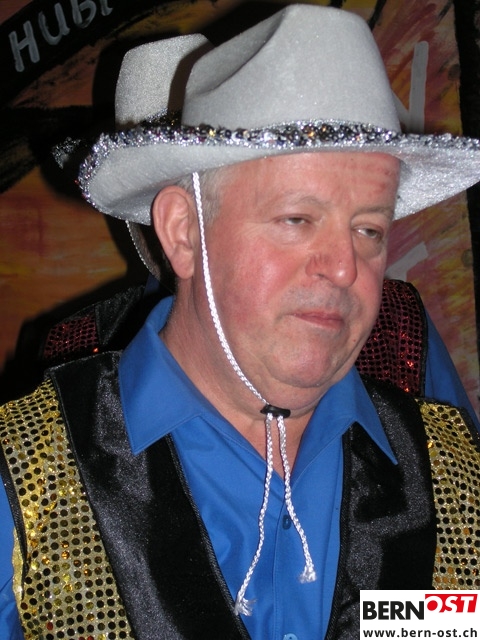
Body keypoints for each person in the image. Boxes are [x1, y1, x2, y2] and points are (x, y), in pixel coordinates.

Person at [1, 5, 480, 639]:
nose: (345, 267)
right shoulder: (27, 481)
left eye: (369, 229)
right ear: (183, 232)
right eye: (297, 219)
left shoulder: (453, 478)